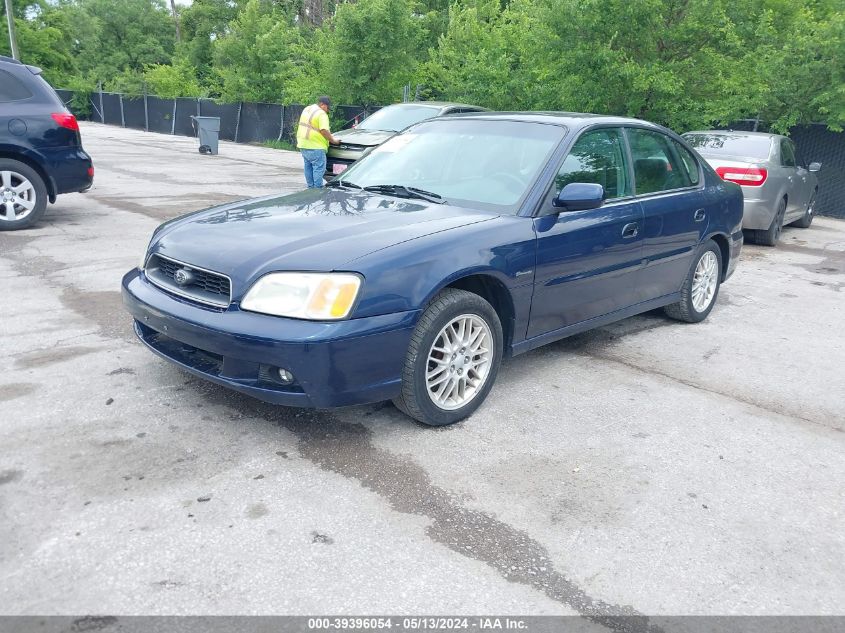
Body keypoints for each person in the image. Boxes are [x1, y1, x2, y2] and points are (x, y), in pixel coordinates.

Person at [296, 96, 339, 188]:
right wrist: (333, 140)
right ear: (322, 104)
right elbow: (324, 130)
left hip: (303, 144)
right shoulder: (321, 114)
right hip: (316, 146)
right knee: (318, 168)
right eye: (327, 108)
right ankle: (317, 190)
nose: (327, 111)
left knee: (308, 167)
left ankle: (310, 188)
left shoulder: (307, 109)